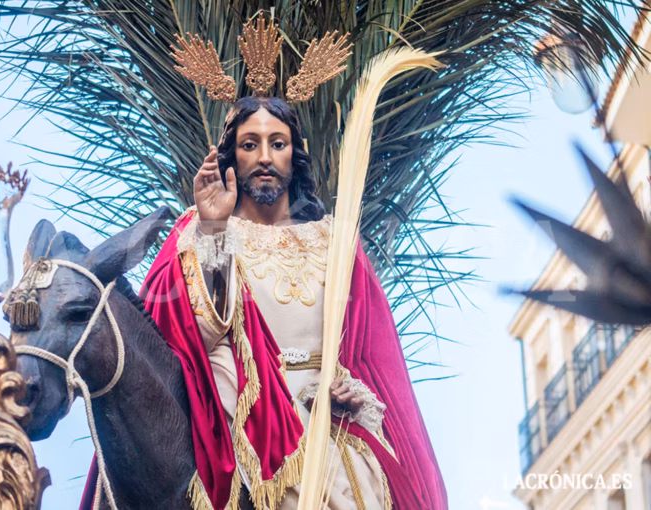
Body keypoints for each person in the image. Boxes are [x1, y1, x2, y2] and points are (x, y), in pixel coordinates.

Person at [133, 95, 447, 510]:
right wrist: (213, 229)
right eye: (250, 144)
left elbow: (373, 354)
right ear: (231, 155)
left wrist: (353, 389)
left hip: (330, 430)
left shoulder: (335, 242)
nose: (264, 156)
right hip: (245, 421)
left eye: (277, 143)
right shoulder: (202, 229)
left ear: (294, 154)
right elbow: (189, 340)